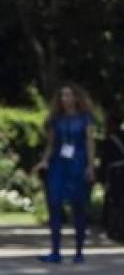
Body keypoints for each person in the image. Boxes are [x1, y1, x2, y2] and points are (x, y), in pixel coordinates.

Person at [32, 82, 96, 263]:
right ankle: (55, 251)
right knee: (54, 204)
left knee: (79, 207)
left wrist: (91, 166)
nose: (65, 99)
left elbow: (90, 143)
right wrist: (44, 161)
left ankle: (79, 251)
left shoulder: (86, 118)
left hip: (78, 163)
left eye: (68, 95)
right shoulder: (56, 120)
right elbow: (51, 145)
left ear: (76, 97)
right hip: (59, 165)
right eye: (62, 96)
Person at [98, 109, 124, 241]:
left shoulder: (109, 140)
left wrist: (102, 178)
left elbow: (105, 160)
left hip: (114, 174)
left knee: (113, 201)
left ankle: (113, 228)